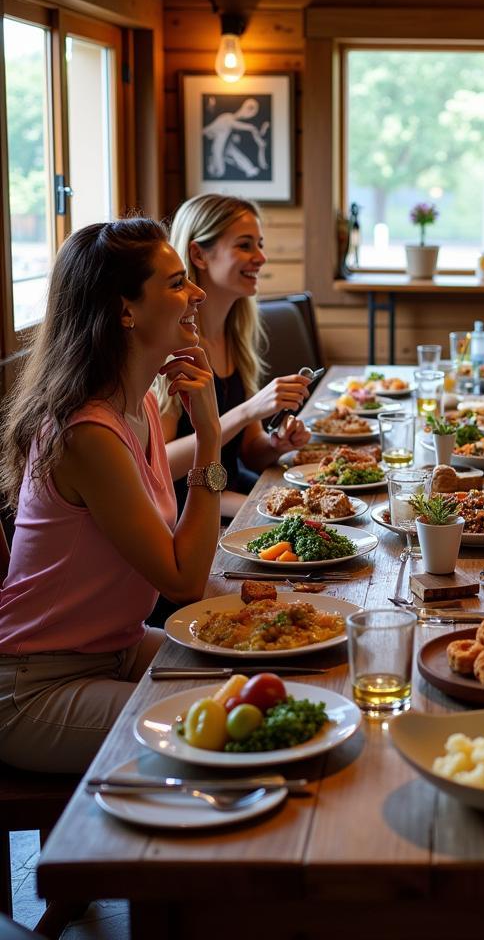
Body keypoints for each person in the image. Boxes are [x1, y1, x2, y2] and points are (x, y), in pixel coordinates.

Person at [0, 219, 223, 773]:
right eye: (175, 283)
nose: (196, 292)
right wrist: (210, 439)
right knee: (214, 731)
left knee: (255, 680)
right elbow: (182, 580)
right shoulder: (87, 433)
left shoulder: (139, 404)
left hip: (116, 650)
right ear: (125, 310)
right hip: (36, 686)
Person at [158, 194, 312, 520]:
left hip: (231, 489)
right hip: (187, 506)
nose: (261, 257)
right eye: (245, 246)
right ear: (199, 254)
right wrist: (246, 411)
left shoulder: (236, 334)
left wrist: (275, 443)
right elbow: (159, 464)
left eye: (260, 244)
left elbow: (249, 453)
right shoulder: (170, 342)